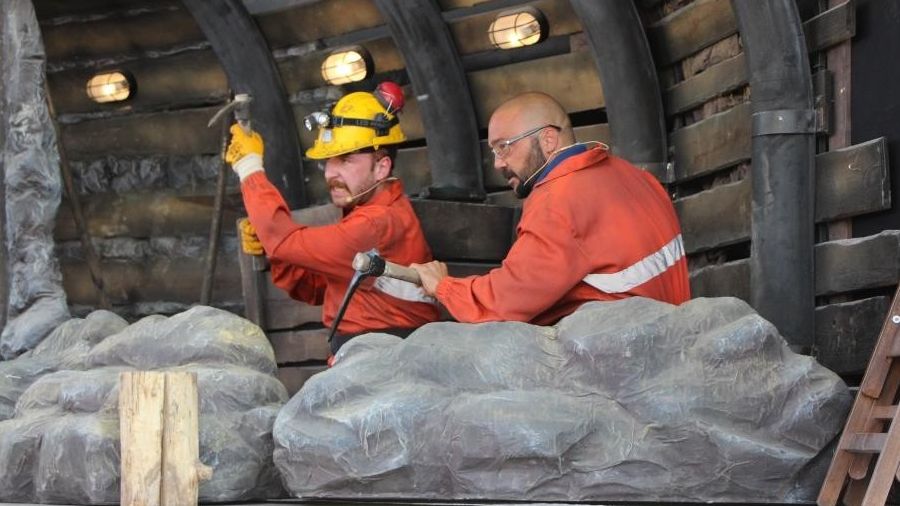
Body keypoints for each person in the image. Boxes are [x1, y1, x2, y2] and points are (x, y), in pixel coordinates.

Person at [411, 92, 690, 325]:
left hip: (618, 356)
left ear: (548, 139)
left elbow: (508, 299)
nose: (498, 163)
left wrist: (443, 287)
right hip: (670, 339)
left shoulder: (558, 200)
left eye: (504, 147)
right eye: (494, 152)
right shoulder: (635, 176)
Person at [226, 82, 439, 357]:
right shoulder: (374, 215)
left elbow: (283, 240)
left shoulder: (374, 225)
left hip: (382, 364)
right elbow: (316, 289)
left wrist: (249, 167)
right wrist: (276, 253)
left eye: (345, 160)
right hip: (375, 358)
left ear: (381, 167)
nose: (330, 174)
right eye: (328, 161)